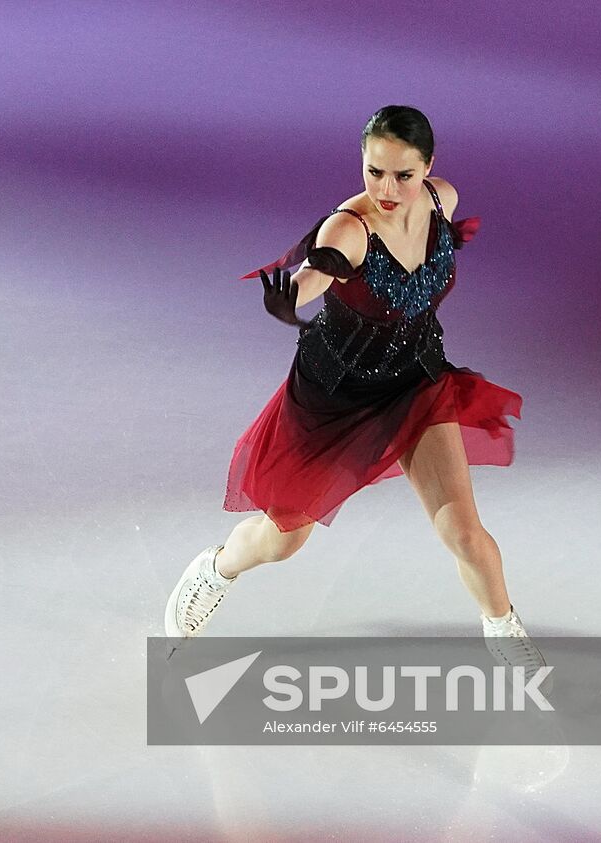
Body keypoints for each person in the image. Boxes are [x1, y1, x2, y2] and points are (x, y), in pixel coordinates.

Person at [163, 105, 546, 680]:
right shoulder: (349, 228)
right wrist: (292, 296)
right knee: (283, 541)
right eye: (374, 172)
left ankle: (506, 637)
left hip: (416, 379)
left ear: (429, 168)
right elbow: (318, 271)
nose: (387, 189)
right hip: (336, 397)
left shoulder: (444, 199)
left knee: (463, 530)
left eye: (403, 175)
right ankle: (216, 569)